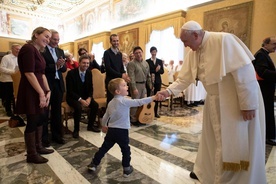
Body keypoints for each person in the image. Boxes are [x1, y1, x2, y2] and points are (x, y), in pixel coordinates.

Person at [157, 20, 266, 184]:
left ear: (196, 35)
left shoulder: (224, 40)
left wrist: (248, 104)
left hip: (236, 101)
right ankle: (210, 173)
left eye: (185, 42)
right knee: (213, 141)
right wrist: (167, 92)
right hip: (213, 101)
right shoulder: (193, 52)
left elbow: (245, 73)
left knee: (235, 143)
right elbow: (184, 79)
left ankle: (238, 179)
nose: (186, 46)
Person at [87, 78, 164, 177]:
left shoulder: (111, 102)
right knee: (125, 150)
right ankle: (127, 168)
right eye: (124, 85)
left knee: (104, 148)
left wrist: (104, 125)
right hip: (122, 132)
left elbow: (106, 115)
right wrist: (153, 97)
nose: (127, 86)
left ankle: (94, 164)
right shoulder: (124, 101)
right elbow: (139, 102)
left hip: (111, 131)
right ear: (118, 91)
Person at [15, 27, 54, 164]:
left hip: (40, 89)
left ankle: (39, 146)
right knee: (33, 120)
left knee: (41, 117)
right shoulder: (28, 48)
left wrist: (48, 91)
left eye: (49, 37)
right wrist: (41, 93)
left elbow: (42, 74)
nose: (48, 40)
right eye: (46, 36)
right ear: (36, 34)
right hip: (31, 90)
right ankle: (31, 154)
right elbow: (29, 73)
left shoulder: (38, 51)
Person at [42, 29, 67, 145]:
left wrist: (61, 65)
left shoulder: (60, 51)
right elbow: (42, 68)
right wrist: (55, 66)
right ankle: (45, 138)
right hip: (46, 84)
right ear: (49, 39)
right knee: (45, 112)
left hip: (58, 85)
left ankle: (57, 135)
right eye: (54, 39)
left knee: (57, 112)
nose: (56, 42)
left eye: (58, 40)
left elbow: (64, 69)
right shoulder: (42, 50)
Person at [66, 55, 100, 138]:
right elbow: (70, 91)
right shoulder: (71, 73)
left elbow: (91, 88)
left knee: (95, 105)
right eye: (84, 63)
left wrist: (89, 98)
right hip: (73, 97)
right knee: (78, 107)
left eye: (88, 63)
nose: (86, 65)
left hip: (85, 96)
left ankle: (90, 126)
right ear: (79, 63)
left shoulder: (89, 72)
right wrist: (80, 100)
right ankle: (76, 129)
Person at [252, 36, 276, 146]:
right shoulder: (261, 54)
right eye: (274, 44)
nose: (275, 46)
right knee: (267, 112)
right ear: (265, 44)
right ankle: (268, 137)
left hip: (266, 88)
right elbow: (262, 72)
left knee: (268, 111)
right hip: (264, 89)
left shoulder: (264, 54)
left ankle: (269, 135)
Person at [127, 46, 152, 126]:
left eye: (139, 52)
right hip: (136, 85)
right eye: (136, 53)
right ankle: (133, 119)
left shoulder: (146, 63)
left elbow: (148, 75)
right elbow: (131, 77)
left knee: (142, 103)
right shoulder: (131, 64)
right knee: (135, 103)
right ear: (134, 54)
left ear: (142, 53)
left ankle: (140, 118)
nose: (138, 54)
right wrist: (134, 88)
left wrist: (150, 85)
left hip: (143, 85)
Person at [104, 34, 130, 105]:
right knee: (111, 101)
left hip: (119, 81)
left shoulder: (120, 54)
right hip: (111, 81)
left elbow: (121, 67)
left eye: (117, 41)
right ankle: (109, 116)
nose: (116, 43)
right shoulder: (107, 53)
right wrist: (121, 75)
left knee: (119, 101)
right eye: (114, 41)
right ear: (111, 42)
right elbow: (108, 68)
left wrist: (125, 74)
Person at [0, 43, 21, 116]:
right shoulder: (6, 57)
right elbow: (1, 68)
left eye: (19, 49)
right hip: (7, 80)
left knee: (15, 96)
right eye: (17, 49)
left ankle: (16, 110)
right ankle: (8, 111)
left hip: (16, 81)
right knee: (8, 97)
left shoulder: (20, 58)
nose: (18, 51)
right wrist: (13, 72)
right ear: (12, 49)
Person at [146, 46, 164, 118]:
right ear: (150, 52)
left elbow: (162, 71)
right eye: (152, 51)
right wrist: (155, 71)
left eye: (155, 51)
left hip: (157, 81)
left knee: (157, 96)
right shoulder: (147, 61)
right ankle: (148, 111)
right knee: (149, 96)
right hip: (150, 81)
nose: (154, 53)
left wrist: (158, 71)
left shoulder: (159, 61)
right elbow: (147, 71)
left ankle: (155, 112)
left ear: (156, 52)